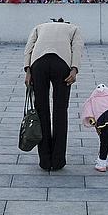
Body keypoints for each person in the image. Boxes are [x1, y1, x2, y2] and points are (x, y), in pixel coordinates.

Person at [23, 17, 83, 171]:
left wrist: (27, 70)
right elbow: (77, 48)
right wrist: (74, 69)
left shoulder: (39, 26)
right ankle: (58, 161)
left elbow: (29, 47)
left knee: (42, 110)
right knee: (60, 111)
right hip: (61, 64)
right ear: (65, 23)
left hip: (38, 64)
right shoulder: (73, 28)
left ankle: (44, 161)